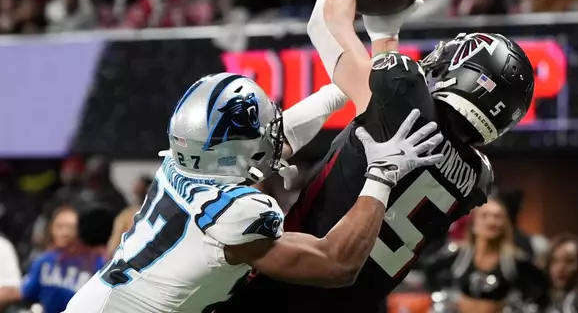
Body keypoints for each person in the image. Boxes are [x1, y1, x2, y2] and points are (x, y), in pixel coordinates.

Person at [218, 0, 535, 312]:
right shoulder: (475, 177)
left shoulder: (404, 99)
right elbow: (389, 106)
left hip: (285, 290)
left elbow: (325, 26)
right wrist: (386, 31)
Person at [63, 75, 445, 313]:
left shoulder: (183, 163)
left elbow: (278, 137)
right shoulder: (235, 213)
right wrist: (381, 174)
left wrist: (340, 89)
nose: (275, 134)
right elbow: (337, 264)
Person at [424, 199, 548, 313]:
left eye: (497, 217)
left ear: (504, 224)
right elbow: (429, 269)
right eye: (485, 216)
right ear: (473, 224)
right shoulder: (458, 255)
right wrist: (447, 298)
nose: (491, 221)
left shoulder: (515, 259)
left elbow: (541, 287)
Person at [0, 205, 106, 313]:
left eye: (70, 227)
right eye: (60, 226)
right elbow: (26, 292)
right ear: (51, 228)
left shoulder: (97, 262)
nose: (65, 233)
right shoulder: (44, 260)